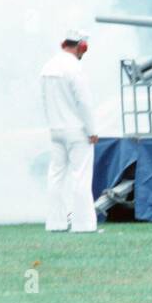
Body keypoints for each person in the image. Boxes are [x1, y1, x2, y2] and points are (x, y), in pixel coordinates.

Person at [40, 30, 99, 233]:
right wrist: (92, 130)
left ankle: (55, 222)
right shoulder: (75, 68)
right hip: (76, 130)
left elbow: (45, 101)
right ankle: (83, 224)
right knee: (80, 177)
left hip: (56, 129)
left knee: (55, 177)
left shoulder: (47, 67)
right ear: (82, 46)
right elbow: (83, 102)